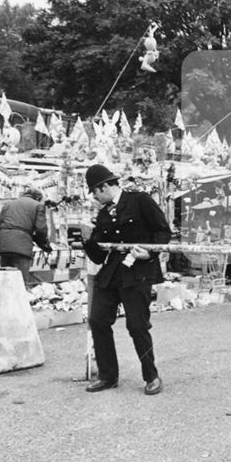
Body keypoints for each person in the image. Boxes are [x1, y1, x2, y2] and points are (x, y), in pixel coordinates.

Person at [83, 164, 172, 395]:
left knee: (137, 325)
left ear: (104, 187)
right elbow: (99, 254)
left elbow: (163, 231)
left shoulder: (140, 200)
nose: (94, 197)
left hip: (138, 271)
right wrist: (88, 239)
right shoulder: (102, 214)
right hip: (112, 272)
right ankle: (108, 376)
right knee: (97, 319)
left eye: (94, 191)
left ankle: (151, 376)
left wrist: (151, 252)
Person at [0, 188, 51, 282]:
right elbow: (41, 229)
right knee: (20, 280)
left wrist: (3, 238)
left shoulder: (9, 204)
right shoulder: (38, 206)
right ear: (38, 198)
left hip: (4, 244)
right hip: (22, 245)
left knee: (6, 279)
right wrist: (44, 243)